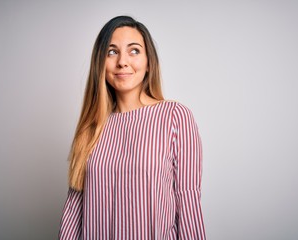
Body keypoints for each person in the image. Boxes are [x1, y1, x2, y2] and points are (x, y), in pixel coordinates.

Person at [59, 15, 206, 239]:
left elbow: (188, 200)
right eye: (112, 52)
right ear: (100, 64)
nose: (122, 62)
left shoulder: (175, 117)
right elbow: (74, 208)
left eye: (134, 51)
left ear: (149, 63)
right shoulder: (91, 127)